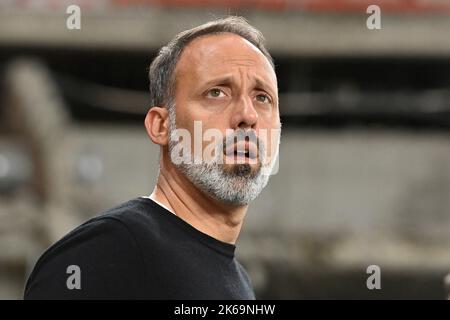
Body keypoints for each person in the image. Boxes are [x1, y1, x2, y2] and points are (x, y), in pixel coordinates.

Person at [24, 16, 281, 300]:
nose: (247, 115)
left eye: (262, 98)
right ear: (161, 126)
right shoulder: (104, 253)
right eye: (216, 93)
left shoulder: (240, 281)